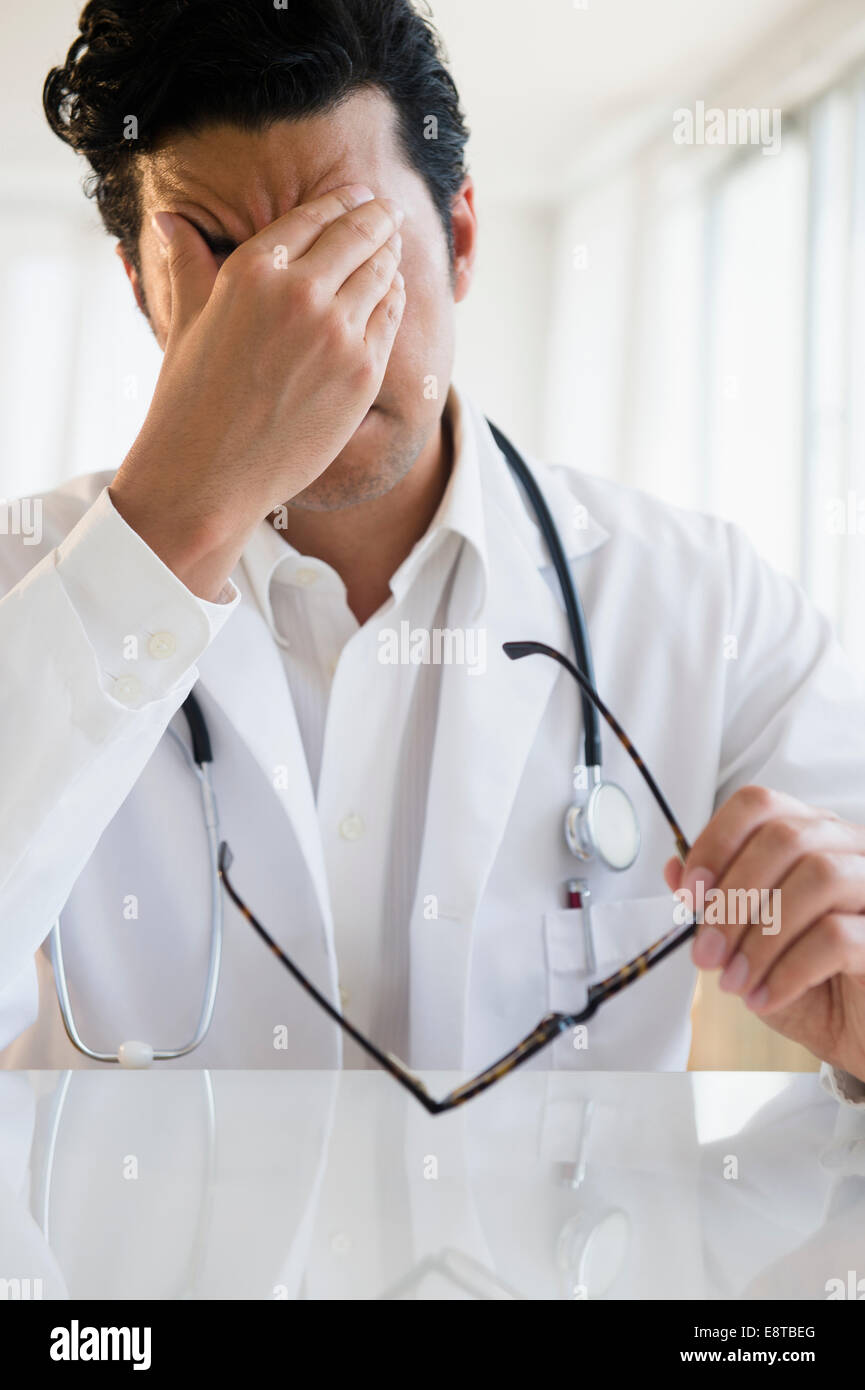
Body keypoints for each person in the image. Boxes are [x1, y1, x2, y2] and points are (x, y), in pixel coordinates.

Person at [1, 0, 865, 1099]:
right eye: (232, 265)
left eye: (350, 246)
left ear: (458, 240)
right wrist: (172, 524)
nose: (306, 321)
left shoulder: (704, 605)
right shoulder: (22, 584)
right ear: (141, 290)